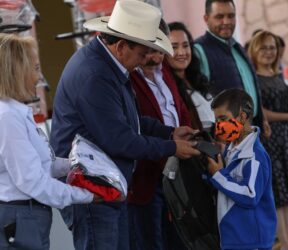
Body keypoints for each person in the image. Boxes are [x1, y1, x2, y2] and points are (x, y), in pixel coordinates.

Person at [50, 1, 200, 250]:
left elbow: (128, 121)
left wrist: (169, 132)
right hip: (92, 190)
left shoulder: (107, 66)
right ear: (120, 46)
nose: (144, 61)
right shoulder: (96, 74)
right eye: (142, 54)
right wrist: (172, 147)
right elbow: (119, 139)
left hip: (104, 187)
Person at [0, 33, 99, 250]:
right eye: (35, 69)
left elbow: (42, 165)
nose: (40, 77)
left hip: (26, 217)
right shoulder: (7, 117)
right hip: (19, 218)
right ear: (17, 71)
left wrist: (79, 165)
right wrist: (87, 196)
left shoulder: (15, 113)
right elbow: (32, 180)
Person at [248, 31, 288, 250]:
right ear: (254, 50)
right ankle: (285, 243)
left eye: (272, 47)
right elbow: (261, 111)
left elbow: (283, 103)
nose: (269, 52)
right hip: (271, 140)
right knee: (278, 195)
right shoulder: (253, 78)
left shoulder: (276, 74)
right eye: (264, 47)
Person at [128, 19, 189, 250]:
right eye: (150, 51)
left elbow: (179, 109)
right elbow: (135, 127)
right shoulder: (128, 77)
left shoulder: (165, 71)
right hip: (146, 179)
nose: (155, 57)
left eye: (160, 51)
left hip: (177, 174)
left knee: (181, 241)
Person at [207, 89, 277, 250]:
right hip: (235, 237)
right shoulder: (231, 148)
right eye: (216, 120)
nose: (218, 126)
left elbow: (250, 194)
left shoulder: (254, 156)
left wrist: (218, 175)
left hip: (251, 240)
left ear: (242, 116)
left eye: (223, 119)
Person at [194, 0, 268, 134]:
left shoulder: (238, 48)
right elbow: (199, 101)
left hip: (252, 131)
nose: (226, 21)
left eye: (231, 16)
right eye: (219, 17)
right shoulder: (199, 50)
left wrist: (263, 119)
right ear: (206, 19)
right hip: (227, 138)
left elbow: (251, 88)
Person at [166, 21, 215, 130]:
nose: (182, 52)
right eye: (174, 47)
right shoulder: (167, 88)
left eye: (185, 45)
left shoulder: (197, 79)